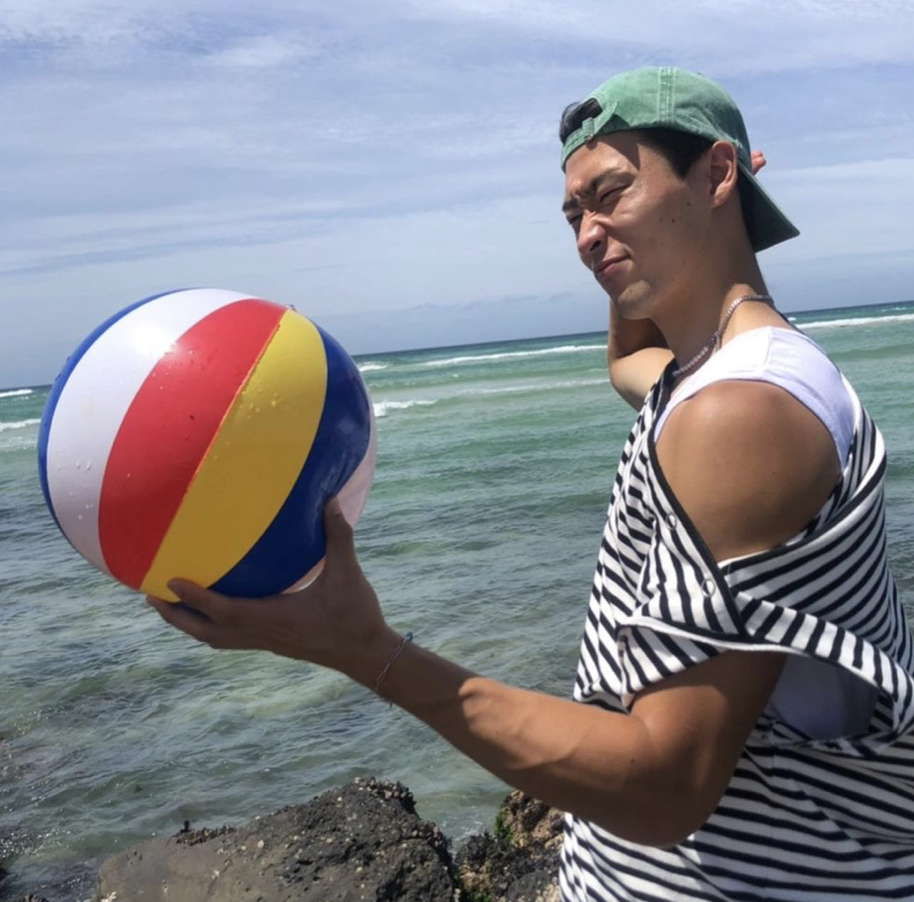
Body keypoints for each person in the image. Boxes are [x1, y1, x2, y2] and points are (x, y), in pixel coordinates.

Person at [148, 67, 914, 900]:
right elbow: (629, 360)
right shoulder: (706, 379)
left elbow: (667, 788)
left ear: (720, 172)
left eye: (611, 193)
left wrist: (361, 648)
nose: (585, 235)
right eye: (573, 214)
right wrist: (679, 230)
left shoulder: (739, 415)